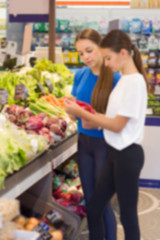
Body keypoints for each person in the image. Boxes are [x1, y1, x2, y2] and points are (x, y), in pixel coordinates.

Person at [65, 29, 148, 240]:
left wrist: (83, 113)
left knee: (128, 216)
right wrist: (90, 120)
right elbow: (111, 119)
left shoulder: (132, 82)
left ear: (122, 53)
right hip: (114, 152)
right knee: (94, 208)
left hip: (126, 154)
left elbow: (118, 125)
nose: (107, 63)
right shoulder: (125, 81)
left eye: (108, 57)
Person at [70, 28, 121, 240]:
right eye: (81, 53)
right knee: (90, 202)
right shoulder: (80, 74)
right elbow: (75, 105)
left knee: (102, 204)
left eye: (89, 50)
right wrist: (71, 110)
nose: (86, 57)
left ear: (101, 47)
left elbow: (120, 122)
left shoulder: (116, 79)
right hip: (84, 143)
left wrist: (96, 122)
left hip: (105, 146)